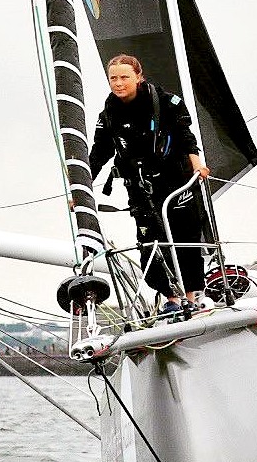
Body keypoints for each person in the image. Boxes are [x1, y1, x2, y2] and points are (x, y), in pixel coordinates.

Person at [89, 54, 210, 314]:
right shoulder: (109, 114)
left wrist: (197, 165)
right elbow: (99, 153)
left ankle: (192, 295)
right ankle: (171, 298)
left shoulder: (166, 103)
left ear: (138, 77)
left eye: (124, 77)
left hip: (176, 181)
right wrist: (81, 187)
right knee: (149, 243)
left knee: (184, 237)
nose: (118, 83)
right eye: (113, 78)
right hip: (141, 188)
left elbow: (186, 136)